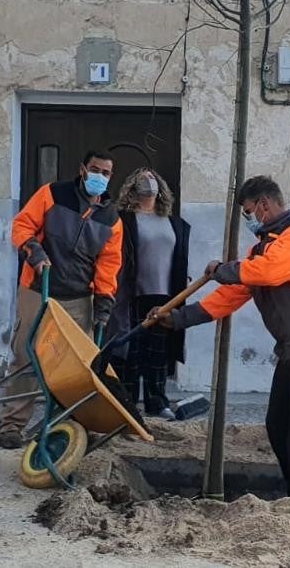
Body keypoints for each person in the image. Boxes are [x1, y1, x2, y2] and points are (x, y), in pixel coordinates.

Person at [152, 176, 290, 500]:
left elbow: (269, 271)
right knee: (278, 427)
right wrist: (176, 319)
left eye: (249, 211)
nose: (249, 218)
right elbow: (230, 295)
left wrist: (223, 268)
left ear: (264, 204)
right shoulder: (262, 249)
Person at [0, 150, 123, 449]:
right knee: (27, 356)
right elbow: (22, 225)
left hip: (79, 297)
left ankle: (76, 423)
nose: (99, 177)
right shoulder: (52, 194)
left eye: (105, 173)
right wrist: (34, 251)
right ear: (82, 169)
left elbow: (109, 264)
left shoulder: (111, 218)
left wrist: (104, 301)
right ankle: (12, 425)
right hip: (39, 289)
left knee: (79, 367)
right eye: (95, 170)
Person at [106, 168, 191, 419]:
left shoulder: (174, 222)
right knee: (130, 350)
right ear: (133, 186)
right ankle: (128, 402)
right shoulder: (124, 219)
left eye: (153, 176)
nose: (148, 179)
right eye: (142, 177)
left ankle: (157, 401)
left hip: (165, 294)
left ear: (160, 186)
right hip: (132, 294)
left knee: (158, 350)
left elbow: (178, 256)